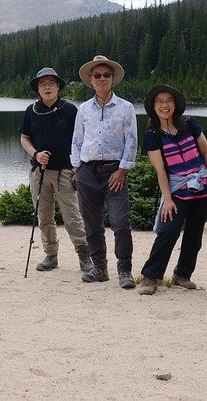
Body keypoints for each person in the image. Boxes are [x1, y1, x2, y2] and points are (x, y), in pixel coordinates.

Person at [137, 85, 207, 296]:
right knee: (168, 232)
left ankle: (182, 274)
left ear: (175, 104)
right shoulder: (153, 134)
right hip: (177, 190)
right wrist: (167, 199)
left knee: (194, 234)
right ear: (153, 107)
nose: (164, 105)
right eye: (159, 101)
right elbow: (161, 171)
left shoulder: (190, 124)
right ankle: (150, 276)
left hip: (202, 186)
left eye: (168, 100)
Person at [70, 55, 138, 289]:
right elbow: (77, 140)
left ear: (112, 79)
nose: (101, 79)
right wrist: (76, 168)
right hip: (87, 172)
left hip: (114, 173)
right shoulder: (83, 109)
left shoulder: (125, 108)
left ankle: (125, 270)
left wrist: (122, 170)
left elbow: (131, 141)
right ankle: (99, 268)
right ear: (90, 80)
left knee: (120, 222)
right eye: (97, 75)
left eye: (106, 75)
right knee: (92, 225)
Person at [19, 67, 93, 273]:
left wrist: (78, 167)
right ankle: (51, 255)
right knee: (43, 216)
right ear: (38, 89)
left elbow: (82, 139)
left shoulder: (69, 110)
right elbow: (24, 138)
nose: (47, 87)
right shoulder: (31, 111)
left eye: (51, 83)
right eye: (43, 84)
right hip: (39, 172)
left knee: (72, 215)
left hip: (65, 171)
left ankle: (84, 255)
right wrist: (35, 154)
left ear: (58, 86)